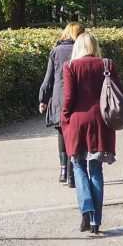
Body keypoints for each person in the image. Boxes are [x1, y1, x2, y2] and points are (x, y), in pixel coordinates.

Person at [62, 31, 123, 234]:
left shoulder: (70, 66)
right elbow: (118, 91)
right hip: (101, 121)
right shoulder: (107, 64)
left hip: (78, 121)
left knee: (78, 165)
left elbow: (69, 98)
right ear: (95, 46)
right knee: (96, 169)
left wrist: (65, 118)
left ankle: (86, 209)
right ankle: (96, 221)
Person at [39, 21, 84, 188]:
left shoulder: (55, 51)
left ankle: (63, 171)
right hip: (78, 96)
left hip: (59, 96)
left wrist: (43, 99)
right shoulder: (81, 50)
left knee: (61, 133)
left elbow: (48, 78)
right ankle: (73, 174)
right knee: (75, 134)